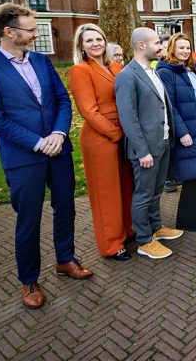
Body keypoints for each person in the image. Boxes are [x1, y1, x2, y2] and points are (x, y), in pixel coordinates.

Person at [0, 3, 93, 309]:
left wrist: (59, 134)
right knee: (29, 219)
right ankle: (29, 280)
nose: (37, 34)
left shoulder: (41, 60)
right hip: (24, 157)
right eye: (31, 29)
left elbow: (62, 100)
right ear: (9, 32)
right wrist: (38, 142)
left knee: (66, 209)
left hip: (58, 151)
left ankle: (66, 259)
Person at [115, 27, 183, 260]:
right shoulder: (127, 75)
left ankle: (156, 228)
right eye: (157, 43)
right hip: (145, 149)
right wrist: (142, 151)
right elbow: (128, 117)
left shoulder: (152, 71)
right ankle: (144, 240)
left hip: (162, 142)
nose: (161, 47)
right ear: (141, 45)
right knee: (143, 194)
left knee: (155, 191)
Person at [69, 24, 134, 262]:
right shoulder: (80, 71)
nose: (96, 44)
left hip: (124, 134)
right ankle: (111, 244)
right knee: (107, 194)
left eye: (99, 39)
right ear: (81, 46)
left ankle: (128, 231)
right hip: (101, 138)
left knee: (126, 187)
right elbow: (89, 111)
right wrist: (116, 134)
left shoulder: (115, 66)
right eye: (89, 41)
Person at [157, 33, 196, 231]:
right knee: (193, 173)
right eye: (181, 47)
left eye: (188, 47)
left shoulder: (191, 68)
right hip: (186, 129)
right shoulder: (166, 72)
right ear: (172, 48)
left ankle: (194, 211)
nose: (185, 51)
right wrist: (182, 132)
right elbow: (170, 106)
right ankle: (186, 219)